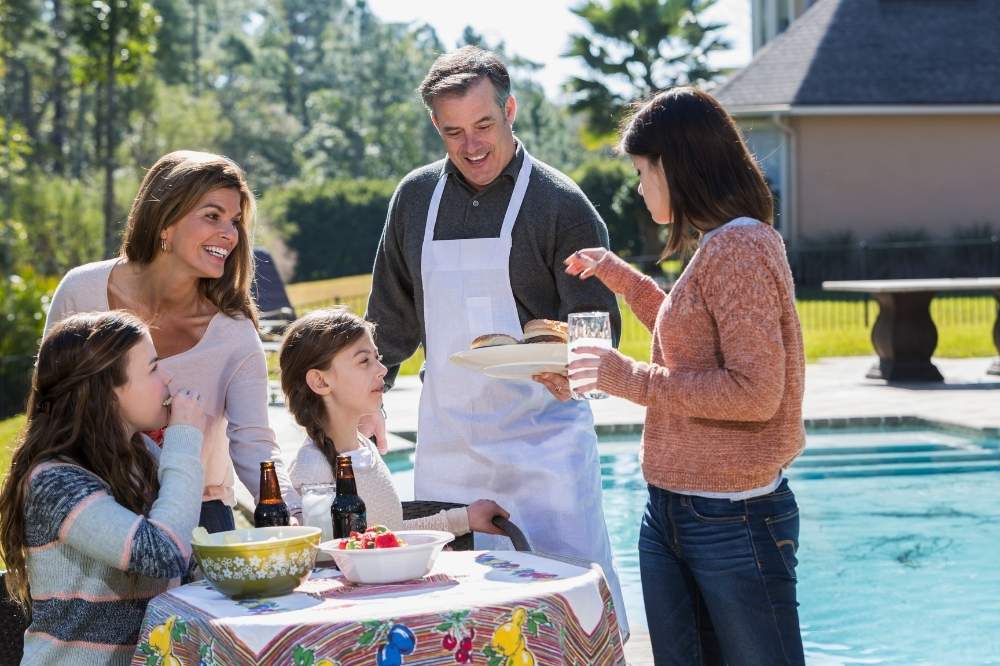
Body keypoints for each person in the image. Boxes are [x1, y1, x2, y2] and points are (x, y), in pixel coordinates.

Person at [366, 46, 628, 637]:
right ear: (436, 127)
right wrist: (366, 397)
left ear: (511, 110)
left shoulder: (560, 204)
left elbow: (596, 326)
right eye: (453, 132)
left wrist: (576, 368)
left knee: (568, 613)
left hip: (546, 449)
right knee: (454, 621)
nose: (472, 145)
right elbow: (389, 321)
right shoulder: (414, 199)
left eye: (484, 125)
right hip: (449, 446)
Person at [555, 87, 806, 665]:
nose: (639, 185)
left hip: (732, 515)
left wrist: (630, 379)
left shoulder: (739, 247)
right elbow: (692, 339)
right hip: (673, 508)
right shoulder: (720, 245)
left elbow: (754, 392)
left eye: (644, 170)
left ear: (677, 165)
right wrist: (623, 279)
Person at [44, 150, 299, 533]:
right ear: (165, 222)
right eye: (212, 216)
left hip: (201, 516)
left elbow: (255, 442)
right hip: (94, 513)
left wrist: (295, 515)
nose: (229, 234)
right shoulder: (83, 292)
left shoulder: (233, 332)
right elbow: (49, 407)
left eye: (234, 221)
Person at [0, 311, 206, 665]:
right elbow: (164, 553)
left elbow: (184, 565)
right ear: (107, 391)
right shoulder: (55, 482)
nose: (168, 377)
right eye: (154, 368)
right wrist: (185, 440)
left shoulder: (140, 457)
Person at [280, 308, 510, 537]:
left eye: (377, 358)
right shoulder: (313, 470)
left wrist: (465, 519)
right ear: (320, 381)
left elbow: (388, 534)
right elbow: (336, 557)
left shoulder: (364, 449)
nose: (381, 370)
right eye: (364, 361)